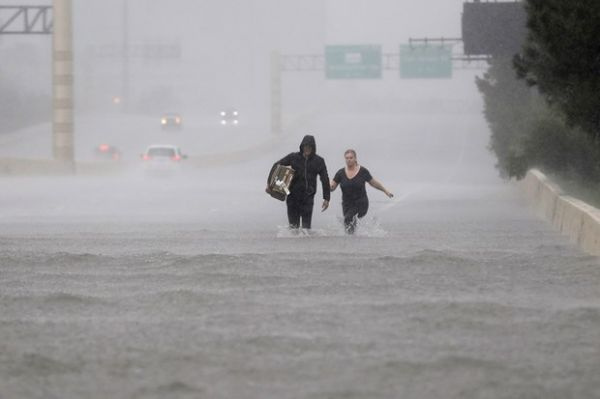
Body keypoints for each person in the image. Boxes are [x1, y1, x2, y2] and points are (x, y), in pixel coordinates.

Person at [267, 135, 330, 230]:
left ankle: (306, 245)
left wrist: (326, 198)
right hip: (292, 197)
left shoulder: (319, 161)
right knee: (293, 228)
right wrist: (270, 184)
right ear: (302, 146)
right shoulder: (293, 157)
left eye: (310, 147)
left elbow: (325, 179)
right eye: (305, 146)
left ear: (313, 148)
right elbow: (276, 165)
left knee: (306, 229)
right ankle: (294, 245)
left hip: (308, 198)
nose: (307, 148)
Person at [330, 149, 393, 234]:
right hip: (346, 205)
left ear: (355, 158)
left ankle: (350, 241)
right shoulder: (340, 173)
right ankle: (355, 241)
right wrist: (328, 187)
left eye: (351, 158)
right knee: (349, 222)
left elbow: (373, 183)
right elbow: (332, 187)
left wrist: (385, 191)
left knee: (348, 219)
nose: (349, 160)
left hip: (361, 203)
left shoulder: (363, 171)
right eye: (347, 158)